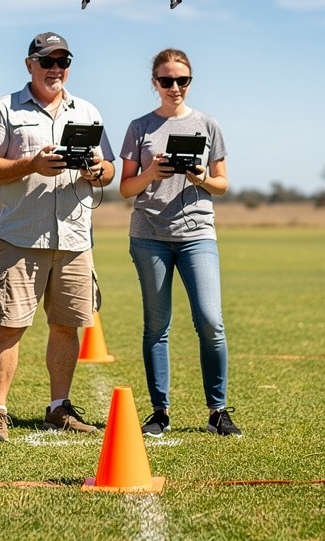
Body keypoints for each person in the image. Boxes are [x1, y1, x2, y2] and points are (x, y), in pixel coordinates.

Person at [0, 31, 116, 442]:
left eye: (63, 61)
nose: (56, 69)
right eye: (47, 61)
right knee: (9, 325)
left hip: (74, 238)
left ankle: (59, 408)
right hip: (21, 236)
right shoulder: (3, 109)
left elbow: (107, 171)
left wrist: (95, 170)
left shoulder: (87, 110)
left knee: (67, 326)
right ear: (29, 64)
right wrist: (31, 163)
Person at [118, 47, 241, 438]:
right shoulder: (139, 127)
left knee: (210, 321)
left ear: (190, 82)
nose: (175, 87)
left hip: (197, 235)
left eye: (182, 80)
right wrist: (152, 171)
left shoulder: (208, 125)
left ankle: (217, 410)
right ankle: (159, 412)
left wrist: (200, 178)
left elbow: (222, 184)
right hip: (149, 236)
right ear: (154, 83)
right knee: (157, 326)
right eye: (167, 80)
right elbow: (125, 188)